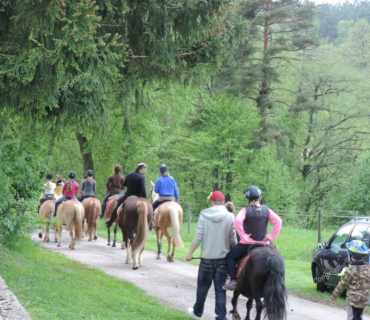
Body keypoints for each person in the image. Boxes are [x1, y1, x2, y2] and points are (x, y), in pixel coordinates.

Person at [186, 191, 237, 320]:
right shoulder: (230, 216)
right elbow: (232, 238)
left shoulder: (204, 214)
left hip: (206, 259)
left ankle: (197, 312)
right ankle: (221, 316)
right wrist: (236, 250)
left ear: (212, 201)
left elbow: (199, 235)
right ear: (223, 202)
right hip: (222, 259)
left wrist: (190, 252)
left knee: (203, 286)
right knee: (221, 289)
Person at [223, 185, 282, 291]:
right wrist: (271, 236)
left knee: (230, 257)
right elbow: (278, 221)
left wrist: (243, 236)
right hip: (265, 244)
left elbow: (237, 221)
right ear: (260, 198)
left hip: (248, 244)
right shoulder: (266, 210)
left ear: (247, 199)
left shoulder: (245, 210)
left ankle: (233, 280)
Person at [331, 240, 370, 320]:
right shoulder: (368, 268)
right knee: (358, 317)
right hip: (363, 300)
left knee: (351, 317)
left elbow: (342, 284)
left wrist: (334, 296)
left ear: (351, 255)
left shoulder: (350, 270)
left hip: (353, 301)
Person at [105, 163, 147, 228]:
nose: (145, 170)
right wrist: (145, 198)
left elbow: (125, 184)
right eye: (145, 169)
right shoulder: (141, 177)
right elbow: (143, 190)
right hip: (138, 196)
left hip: (128, 195)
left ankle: (110, 221)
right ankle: (151, 222)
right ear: (142, 168)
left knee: (117, 206)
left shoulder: (129, 174)